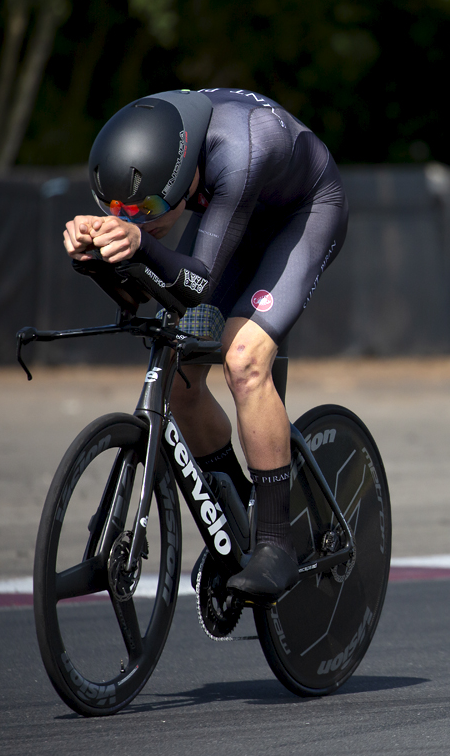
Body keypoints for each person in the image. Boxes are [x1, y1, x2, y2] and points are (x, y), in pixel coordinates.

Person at [62, 88, 347, 599]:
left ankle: (277, 543)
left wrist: (142, 246)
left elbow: (194, 283)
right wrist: (92, 259)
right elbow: (144, 297)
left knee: (243, 357)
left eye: (147, 208)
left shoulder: (240, 151)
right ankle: (238, 509)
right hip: (233, 211)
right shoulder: (152, 141)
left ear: (184, 174)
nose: (136, 219)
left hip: (301, 213)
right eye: (119, 210)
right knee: (180, 374)